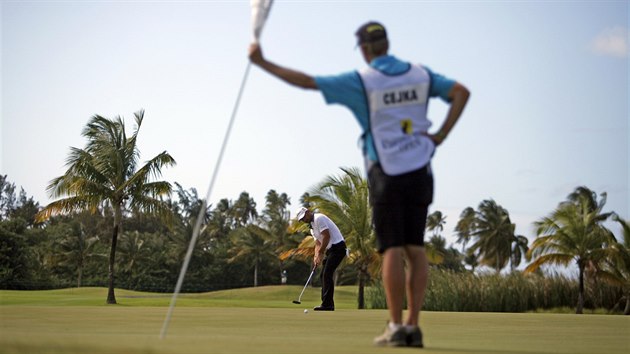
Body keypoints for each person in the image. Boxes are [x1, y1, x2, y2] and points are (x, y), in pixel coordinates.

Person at [250, 21, 470, 347]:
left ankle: (397, 327)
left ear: (365, 50)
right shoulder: (421, 75)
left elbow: (308, 82)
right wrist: (440, 135)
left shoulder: (363, 81)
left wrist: (262, 62)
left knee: (393, 249)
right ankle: (413, 326)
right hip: (420, 169)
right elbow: (461, 93)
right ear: (387, 43)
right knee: (415, 248)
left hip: (386, 171)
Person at [295, 206, 346, 311]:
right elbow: (318, 242)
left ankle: (327, 305)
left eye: (304, 217)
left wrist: (321, 252)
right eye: (302, 219)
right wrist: (316, 256)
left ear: (308, 212)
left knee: (327, 273)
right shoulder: (312, 227)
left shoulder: (319, 218)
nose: (304, 220)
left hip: (339, 247)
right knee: (324, 274)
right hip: (331, 250)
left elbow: (326, 236)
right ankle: (327, 303)